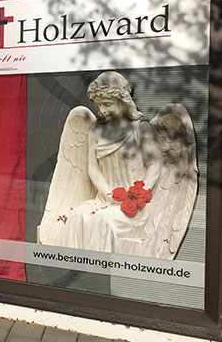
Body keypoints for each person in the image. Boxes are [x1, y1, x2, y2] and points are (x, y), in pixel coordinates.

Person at [56, 72, 162, 254]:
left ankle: (97, 269)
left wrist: (140, 194)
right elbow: (93, 168)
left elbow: (154, 165)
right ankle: (72, 266)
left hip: (133, 206)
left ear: (123, 100)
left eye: (106, 104)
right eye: (98, 105)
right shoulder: (97, 131)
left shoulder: (140, 129)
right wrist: (108, 193)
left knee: (102, 221)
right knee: (75, 216)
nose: (102, 110)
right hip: (104, 198)